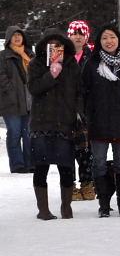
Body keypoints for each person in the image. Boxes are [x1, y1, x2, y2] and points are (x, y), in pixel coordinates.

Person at [82, 25, 120, 218]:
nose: (109, 41)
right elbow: (84, 91)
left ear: (118, 39)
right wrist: (89, 114)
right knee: (99, 163)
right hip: (99, 121)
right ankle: (104, 206)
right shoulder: (92, 63)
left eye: (112, 37)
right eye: (104, 38)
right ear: (99, 42)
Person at [27, 30, 82, 220]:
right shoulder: (35, 63)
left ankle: (66, 207)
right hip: (41, 122)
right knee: (41, 166)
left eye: (59, 45)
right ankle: (43, 209)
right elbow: (33, 88)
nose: (55, 48)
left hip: (65, 121)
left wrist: (80, 114)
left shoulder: (72, 64)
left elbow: (79, 91)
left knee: (66, 167)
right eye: (51, 45)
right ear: (44, 46)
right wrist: (51, 74)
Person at [66, 20, 95, 202]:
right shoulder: (62, 55)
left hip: (87, 108)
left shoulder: (92, 56)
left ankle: (87, 183)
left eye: (81, 34)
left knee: (86, 149)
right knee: (67, 149)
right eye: (74, 33)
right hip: (66, 108)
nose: (78, 37)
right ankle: (70, 185)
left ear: (86, 37)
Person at [0, 26, 33, 173]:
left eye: (19, 34)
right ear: (8, 39)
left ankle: (30, 163)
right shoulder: (3, 56)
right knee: (14, 133)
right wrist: (10, 90)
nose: (17, 37)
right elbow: (1, 76)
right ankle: (17, 164)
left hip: (29, 100)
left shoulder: (30, 54)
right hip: (11, 101)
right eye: (14, 35)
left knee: (28, 134)